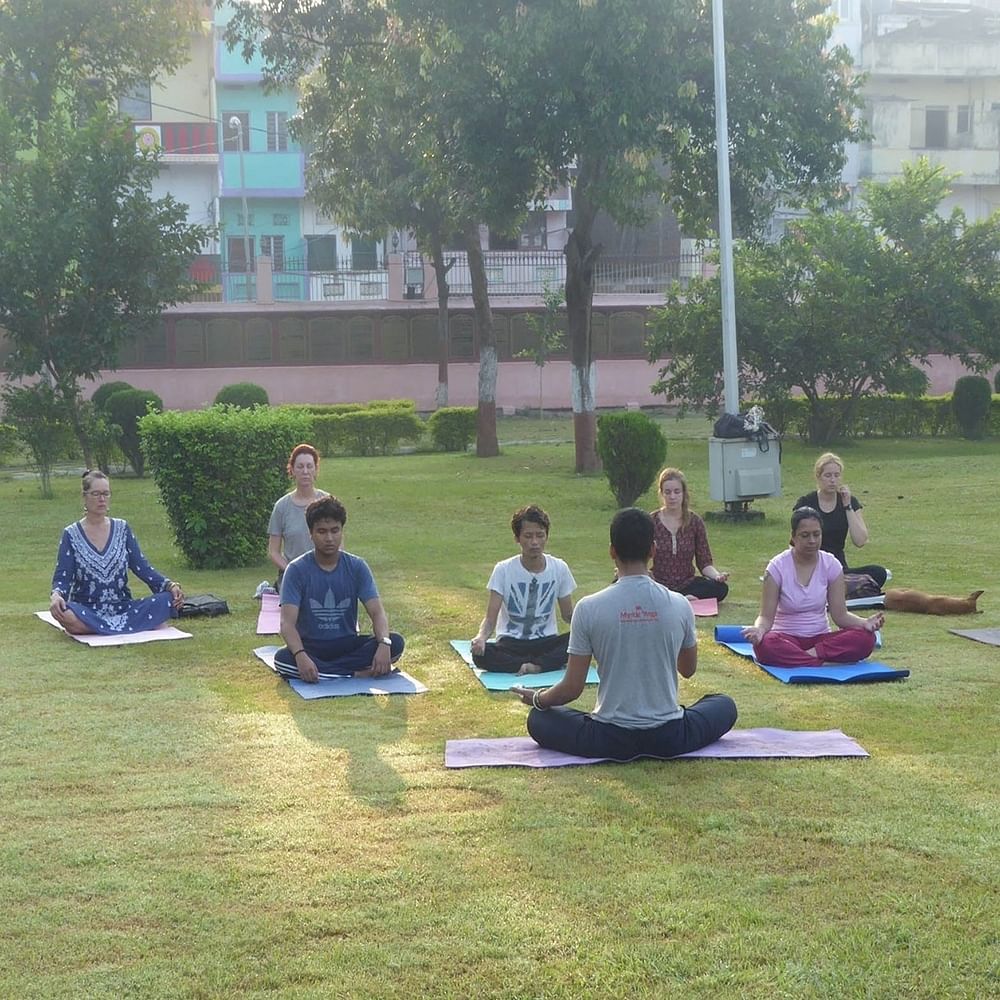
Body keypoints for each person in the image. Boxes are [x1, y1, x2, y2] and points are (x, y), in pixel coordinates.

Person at [512, 508, 737, 760]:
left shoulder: (588, 607)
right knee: (723, 705)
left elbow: (572, 688)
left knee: (539, 719)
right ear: (653, 550)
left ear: (612, 551)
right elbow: (687, 669)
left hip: (609, 738)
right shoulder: (680, 605)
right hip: (669, 737)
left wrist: (539, 700)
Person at [274, 496, 404, 681]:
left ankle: (328, 673)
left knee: (395, 643)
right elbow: (287, 624)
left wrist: (384, 643)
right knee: (283, 660)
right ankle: (354, 673)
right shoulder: (296, 570)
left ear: (342, 531)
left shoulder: (357, 566)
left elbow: (377, 612)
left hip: (347, 644)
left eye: (335, 531)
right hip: (311, 647)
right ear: (310, 534)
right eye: (322, 531)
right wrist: (301, 655)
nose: (329, 538)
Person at [742, 507, 885, 667]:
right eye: (805, 535)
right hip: (785, 638)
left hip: (820, 639)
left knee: (866, 639)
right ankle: (816, 659)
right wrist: (759, 630)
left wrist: (864, 623)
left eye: (816, 534)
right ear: (793, 537)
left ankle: (806, 657)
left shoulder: (831, 564)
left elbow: (840, 616)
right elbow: (766, 617)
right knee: (764, 645)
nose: (812, 541)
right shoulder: (777, 567)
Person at [49, 470, 184, 635]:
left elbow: (142, 568)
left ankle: (100, 628)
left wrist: (169, 585)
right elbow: (63, 577)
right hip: (87, 610)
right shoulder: (71, 534)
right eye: (96, 494)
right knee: (65, 612)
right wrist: (56, 595)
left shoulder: (122, 528)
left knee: (166, 599)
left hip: (123, 608)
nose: (102, 499)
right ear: (84, 496)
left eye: (106, 494)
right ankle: (129, 625)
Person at [470, 505, 576, 674]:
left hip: (546, 642)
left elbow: (567, 615)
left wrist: (589, 626)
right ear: (517, 538)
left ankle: (531, 665)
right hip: (511, 643)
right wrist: (481, 638)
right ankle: (537, 665)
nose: (534, 542)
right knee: (480, 654)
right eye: (528, 536)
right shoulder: (503, 569)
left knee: (576, 641)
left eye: (540, 535)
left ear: (546, 536)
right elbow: (490, 619)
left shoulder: (560, 568)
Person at [793, 452, 887, 588]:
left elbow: (860, 540)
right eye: (828, 475)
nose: (833, 480)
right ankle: (838, 588)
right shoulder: (806, 503)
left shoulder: (849, 502)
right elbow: (794, 543)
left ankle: (837, 587)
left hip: (839, 568)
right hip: (814, 565)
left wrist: (847, 506)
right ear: (818, 477)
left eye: (836, 475)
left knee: (878, 572)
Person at [650, 467, 729, 601]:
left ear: (683, 493)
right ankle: (678, 599)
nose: (672, 497)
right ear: (662, 494)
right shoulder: (651, 521)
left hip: (687, 584)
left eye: (677, 492)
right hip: (658, 583)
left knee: (721, 588)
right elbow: (638, 557)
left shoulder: (695, 522)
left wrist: (717, 576)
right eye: (668, 492)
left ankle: (682, 598)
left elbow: (704, 563)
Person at [267, 444, 330, 586]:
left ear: (315, 469)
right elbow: (273, 551)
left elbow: (339, 547)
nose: (305, 471)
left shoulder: (328, 502)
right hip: (291, 574)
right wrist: (292, 571)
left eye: (309, 466)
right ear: (292, 470)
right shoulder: (281, 507)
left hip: (323, 571)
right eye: (300, 467)